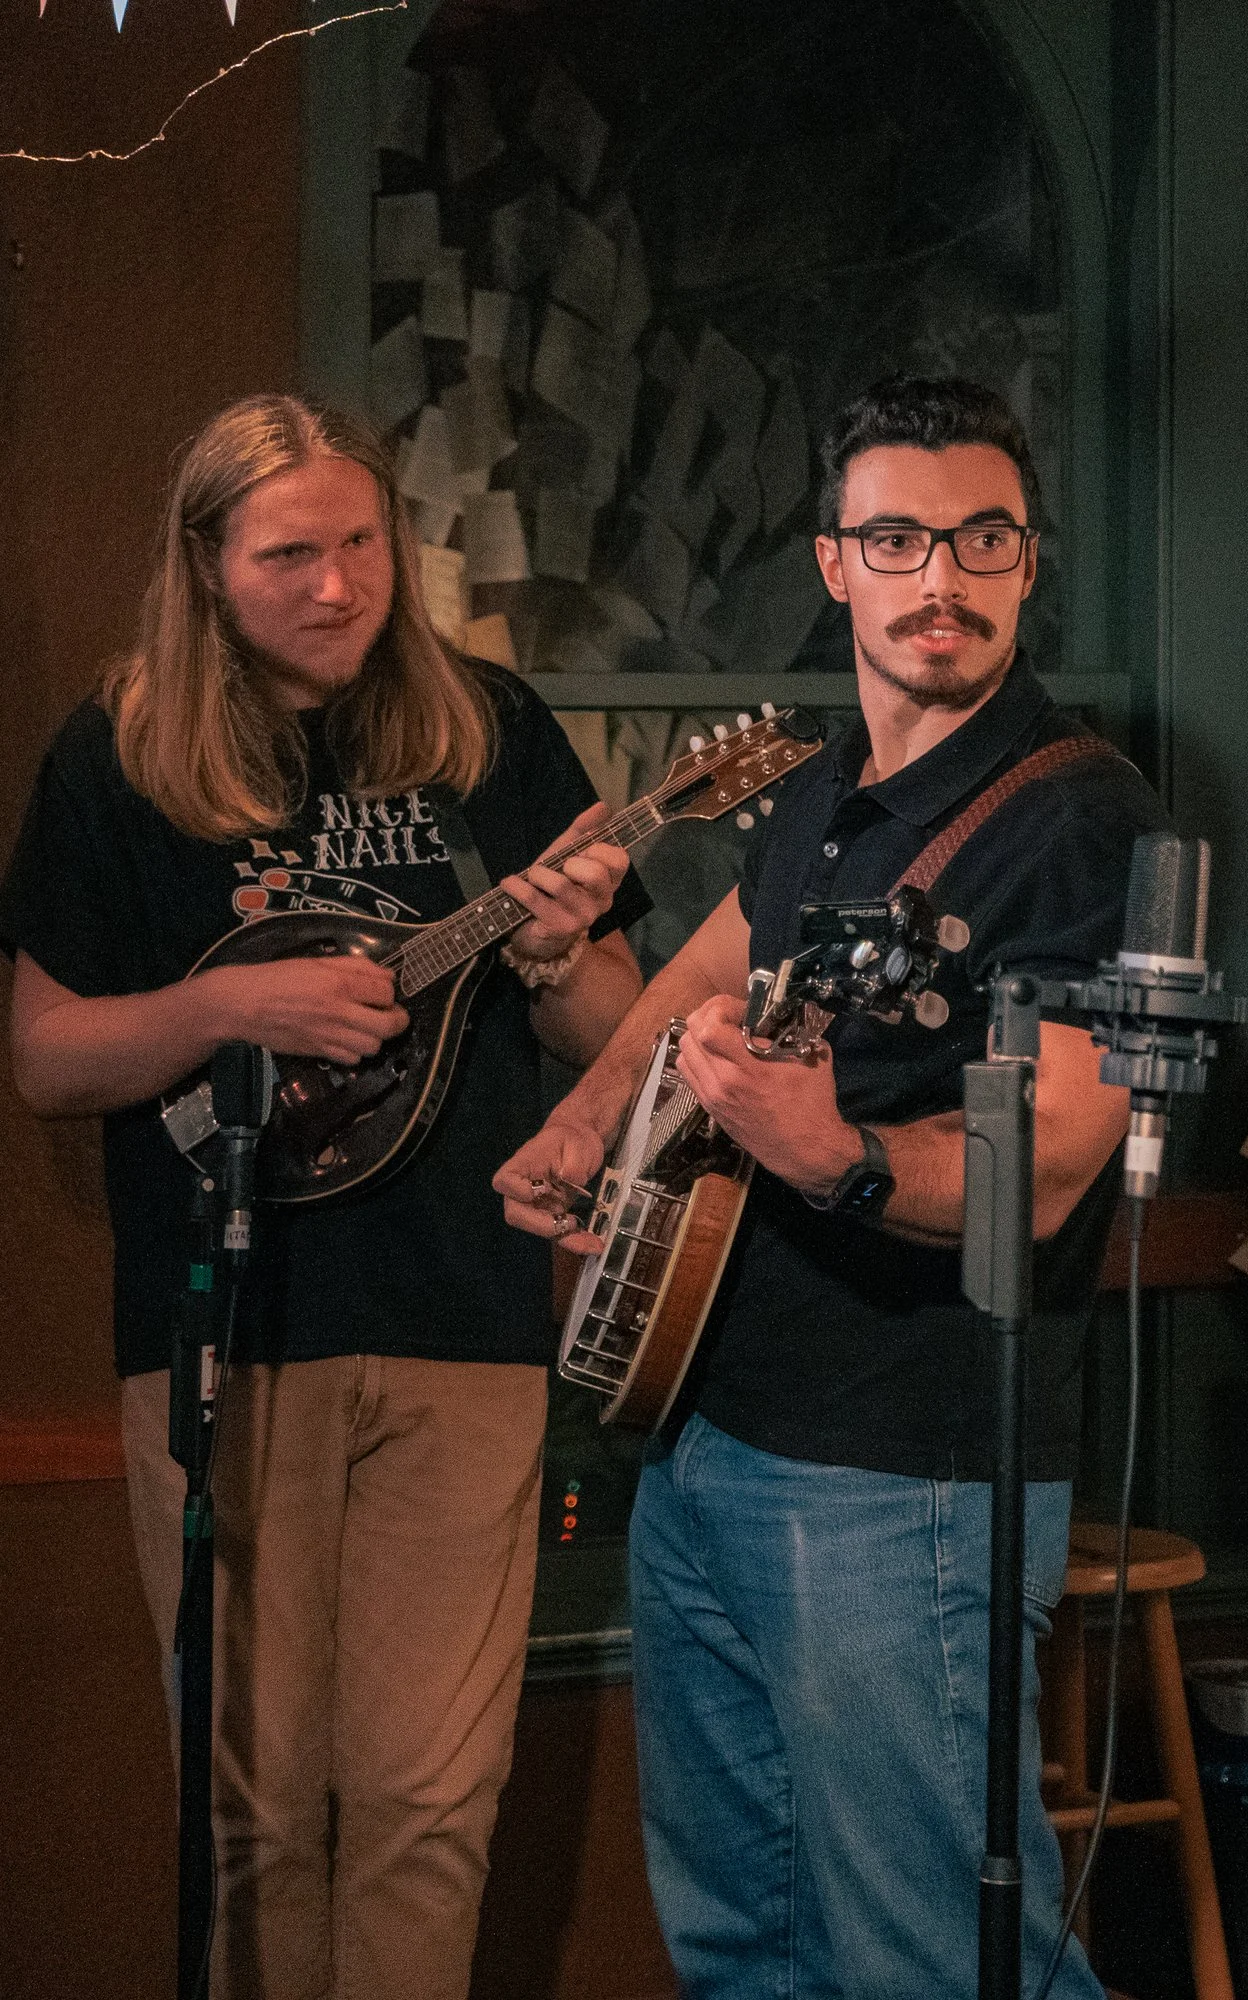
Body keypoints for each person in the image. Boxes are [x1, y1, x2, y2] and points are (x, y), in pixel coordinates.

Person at [495, 375, 1165, 1999]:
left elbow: (1060, 1167)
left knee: (932, 1956)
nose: (941, 578)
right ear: (834, 562)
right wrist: (589, 1115)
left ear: (1024, 560)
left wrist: (839, 1157)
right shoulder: (818, 792)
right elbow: (724, 956)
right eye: (898, 538)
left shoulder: (1084, 818)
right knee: (742, 1944)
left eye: (981, 538)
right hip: (706, 1435)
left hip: (900, 1476)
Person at [1, 394, 648, 1999]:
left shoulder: (488, 730)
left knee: (434, 1801)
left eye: (362, 544)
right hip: (223, 1340)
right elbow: (45, 1053)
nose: (339, 586)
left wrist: (557, 943)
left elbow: (614, 1028)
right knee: (252, 1810)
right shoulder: (122, 752)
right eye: (291, 554)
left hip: (463, 1322)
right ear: (207, 567)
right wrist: (237, 1009)